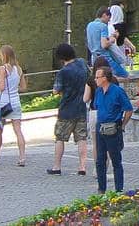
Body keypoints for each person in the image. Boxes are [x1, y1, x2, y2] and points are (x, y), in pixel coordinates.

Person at [89, 65, 133, 194]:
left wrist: (122, 125)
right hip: (100, 127)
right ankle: (101, 188)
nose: (95, 79)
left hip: (113, 127)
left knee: (116, 160)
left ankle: (119, 189)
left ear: (105, 78)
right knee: (100, 160)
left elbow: (129, 110)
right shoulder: (98, 91)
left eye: (98, 77)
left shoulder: (117, 91)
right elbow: (97, 106)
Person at [48, 43, 89, 177]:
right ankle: (82, 166)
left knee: (60, 137)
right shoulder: (82, 64)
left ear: (61, 57)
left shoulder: (63, 72)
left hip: (66, 109)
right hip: (81, 107)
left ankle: (57, 166)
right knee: (81, 138)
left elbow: (56, 90)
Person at [0, 44, 27, 167]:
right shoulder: (18, 69)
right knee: (18, 130)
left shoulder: (2, 68)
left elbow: (2, 87)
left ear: (4, 55)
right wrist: (14, 87)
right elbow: (23, 87)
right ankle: (22, 157)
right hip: (15, 102)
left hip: (3, 103)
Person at [85, 6, 129, 77]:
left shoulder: (89, 25)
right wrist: (112, 39)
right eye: (108, 18)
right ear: (104, 15)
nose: (108, 21)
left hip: (95, 58)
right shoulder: (103, 26)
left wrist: (110, 36)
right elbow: (104, 45)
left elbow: (96, 40)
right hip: (105, 58)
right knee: (125, 75)